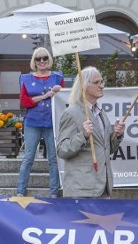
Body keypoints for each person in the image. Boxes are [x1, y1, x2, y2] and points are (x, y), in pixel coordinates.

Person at [56, 66, 125, 198]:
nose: (102, 86)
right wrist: (82, 136)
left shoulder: (101, 113)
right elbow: (61, 150)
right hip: (81, 190)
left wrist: (116, 135)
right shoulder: (71, 113)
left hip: (102, 188)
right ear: (84, 86)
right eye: (97, 82)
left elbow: (105, 149)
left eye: (101, 82)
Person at [16, 47, 63, 198]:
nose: (42, 61)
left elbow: (66, 100)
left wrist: (59, 91)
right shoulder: (26, 78)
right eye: (38, 59)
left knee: (53, 158)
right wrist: (45, 96)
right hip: (32, 122)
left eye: (44, 58)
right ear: (34, 62)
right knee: (28, 157)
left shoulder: (57, 77)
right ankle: (20, 191)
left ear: (49, 59)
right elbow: (24, 102)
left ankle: (54, 192)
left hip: (52, 122)